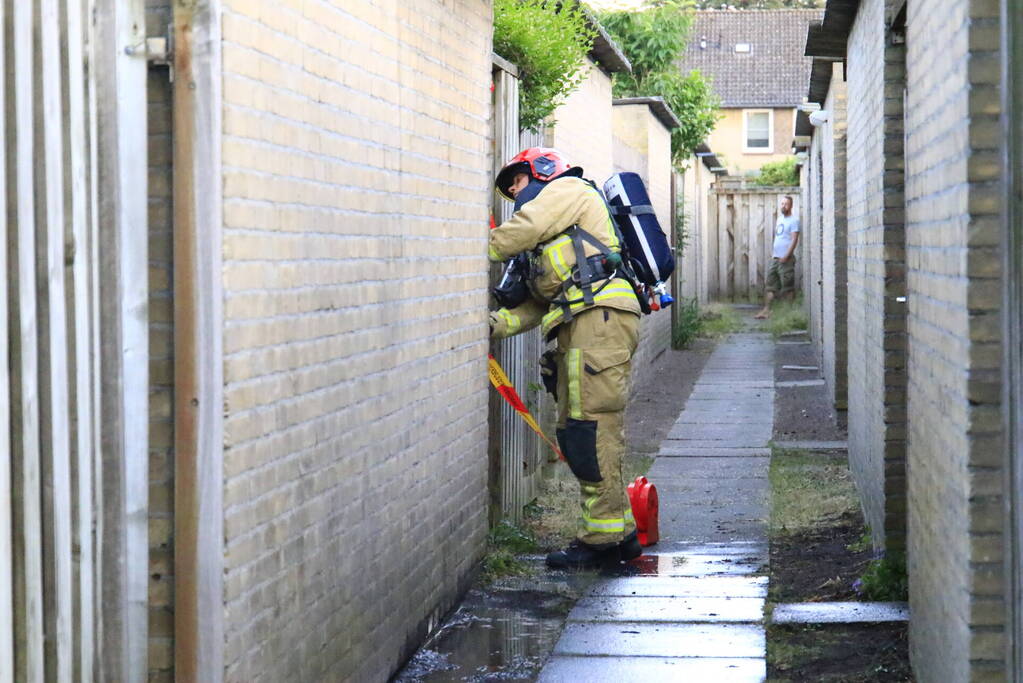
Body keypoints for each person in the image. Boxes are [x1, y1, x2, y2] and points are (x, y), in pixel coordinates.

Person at [488, 147, 642, 569]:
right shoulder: (555, 243)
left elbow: (525, 226)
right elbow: (538, 304)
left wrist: (479, 249)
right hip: (584, 322)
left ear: (540, 172)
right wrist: (493, 324)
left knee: (589, 429)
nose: (515, 193)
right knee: (580, 430)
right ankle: (620, 534)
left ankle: (600, 541)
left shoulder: (567, 189)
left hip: (600, 321)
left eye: (517, 182)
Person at [755, 195, 800, 320]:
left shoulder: (794, 221)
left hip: (786, 259)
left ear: (791, 206)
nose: (783, 206)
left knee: (788, 287)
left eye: (786, 204)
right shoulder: (780, 219)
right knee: (770, 285)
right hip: (775, 258)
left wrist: (786, 256)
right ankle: (766, 311)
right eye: (782, 203)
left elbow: (794, 239)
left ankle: (789, 314)